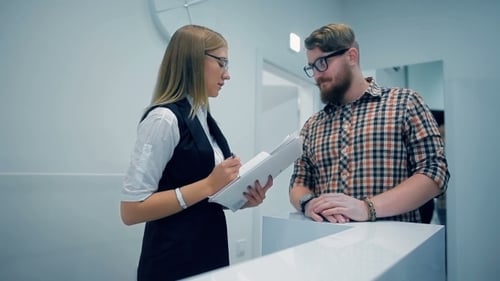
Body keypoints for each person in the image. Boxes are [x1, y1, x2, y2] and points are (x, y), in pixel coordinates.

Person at [120, 24, 273, 281]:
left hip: (208, 254)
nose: (228, 75)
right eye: (222, 63)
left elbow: (206, 197)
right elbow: (131, 210)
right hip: (172, 263)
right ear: (192, 61)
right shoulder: (163, 119)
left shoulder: (203, 117)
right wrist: (208, 185)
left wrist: (242, 198)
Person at [289, 23, 450, 223]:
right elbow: (299, 182)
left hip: (396, 246)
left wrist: (367, 208)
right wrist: (308, 203)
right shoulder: (312, 125)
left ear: (351, 56)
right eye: (312, 67)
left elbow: (435, 172)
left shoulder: (405, 103)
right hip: (328, 246)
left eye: (322, 63)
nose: (317, 75)